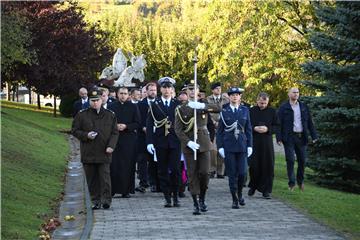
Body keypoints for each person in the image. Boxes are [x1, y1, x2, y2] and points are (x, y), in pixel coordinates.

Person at [175, 83, 220, 215]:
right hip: (189, 145)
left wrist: (202, 106)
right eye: (189, 90)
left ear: (198, 91)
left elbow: (218, 108)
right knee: (192, 174)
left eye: (194, 89)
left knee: (205, 172)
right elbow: (178, 129)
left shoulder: (204, 104)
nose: (192, 92)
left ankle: (203, 198)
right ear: (186, 92)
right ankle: (195, 202)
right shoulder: (181, 109)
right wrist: (188, 142)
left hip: (204, 143)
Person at [71, 88, 119, 210]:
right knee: (91, 180)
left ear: (102, 100)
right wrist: (86, 135)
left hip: (104, 152)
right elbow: (75, 130)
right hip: (89, 151)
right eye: (92, 101)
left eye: (97, 100)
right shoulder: (82, 115)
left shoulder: (110, 115)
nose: (95, 103)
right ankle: (95, 200)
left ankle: (106, 200)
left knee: (105, 178)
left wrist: (111, 146)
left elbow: (114, 133)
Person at [146, 77, 182, 207]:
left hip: (175, 141)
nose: (167, 90)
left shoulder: (177, 104)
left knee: (176, 170)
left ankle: (176, 195)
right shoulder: (155, 104)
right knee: (162, 170)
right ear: (160, 89)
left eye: (169, 87)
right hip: (160, 141)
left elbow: (183, 123)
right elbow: (150, 124)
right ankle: (167, 196)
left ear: (172, 89)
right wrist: (149, 142)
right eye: (164, 87)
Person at [217, 87, 252, 209]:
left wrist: (250, 146)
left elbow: (248, 129)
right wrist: (220, 146)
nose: (235, 97)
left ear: (240, 97)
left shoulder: (245, 110)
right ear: (229, 97)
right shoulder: (224, 111)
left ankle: (240, 193)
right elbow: (220, 131)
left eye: (237, 95)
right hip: (229, 146)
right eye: (232, 95)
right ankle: (234, 199)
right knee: (232, 174)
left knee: (242, 173)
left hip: (242, 146)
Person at [277, 87, 318, 191]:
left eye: (297, 92)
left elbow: (309, 122)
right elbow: (278, 124)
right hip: (289, 137)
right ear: (289, 94)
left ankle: (300, 182)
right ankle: (292, 183)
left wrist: (314, 136)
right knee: (290, 160)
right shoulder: (283, 107)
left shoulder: (304, 106)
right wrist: (278, 138)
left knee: (302, 161)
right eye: (294, 92)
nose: (296, 94)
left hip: (301, 137)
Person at [108, 87, 141, 198]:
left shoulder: (133, 107)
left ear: (128, 95)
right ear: (117, 94)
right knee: (114, 164)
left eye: (125, 93)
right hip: (115, 139)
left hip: (129, 139)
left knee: (128, 165)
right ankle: (113, 189)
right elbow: (107, 122)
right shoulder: (111, 106)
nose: (123, 95)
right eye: (121, 93)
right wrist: (115, 126)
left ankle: (126, 190)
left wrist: (126, 126)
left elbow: (137, 123)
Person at [248, 92, 279, 199]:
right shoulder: (251, 111)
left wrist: (268, 129)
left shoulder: (272, 111)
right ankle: (253, 186)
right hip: (254, 141)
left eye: (265, 103)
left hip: (267, 142)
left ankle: (266, 190)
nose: (263, 105)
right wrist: (254, 128)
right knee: (254, 166)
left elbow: (277, 126)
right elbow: (246, 124)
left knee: (268, 166)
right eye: (261, 103)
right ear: (257, 101)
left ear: (268, 102)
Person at [136, 82, 159, 193]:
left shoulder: (159, 103)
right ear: (146, 91)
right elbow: (137, 119)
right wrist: (143, 128)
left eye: (154, 90)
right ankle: (143, 183)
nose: (153, 92)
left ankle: (154, 183)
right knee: (142, 161)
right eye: (151, 90)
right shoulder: (140, 104)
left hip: (157, 136)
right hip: (143, 137)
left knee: (154, 161)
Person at [207, 82, 229, 178]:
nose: (218, 90)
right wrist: (212, 122)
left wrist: (221, 123)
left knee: (221, 149)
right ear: (212, 90)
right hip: (211, 128)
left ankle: (220, 171)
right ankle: (212, 170)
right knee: (212, 150)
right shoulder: (208, 99)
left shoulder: (225, 100)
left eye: (220, 88)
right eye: (216, 88)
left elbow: (227, 112)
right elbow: (207, 113)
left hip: (223, 127)